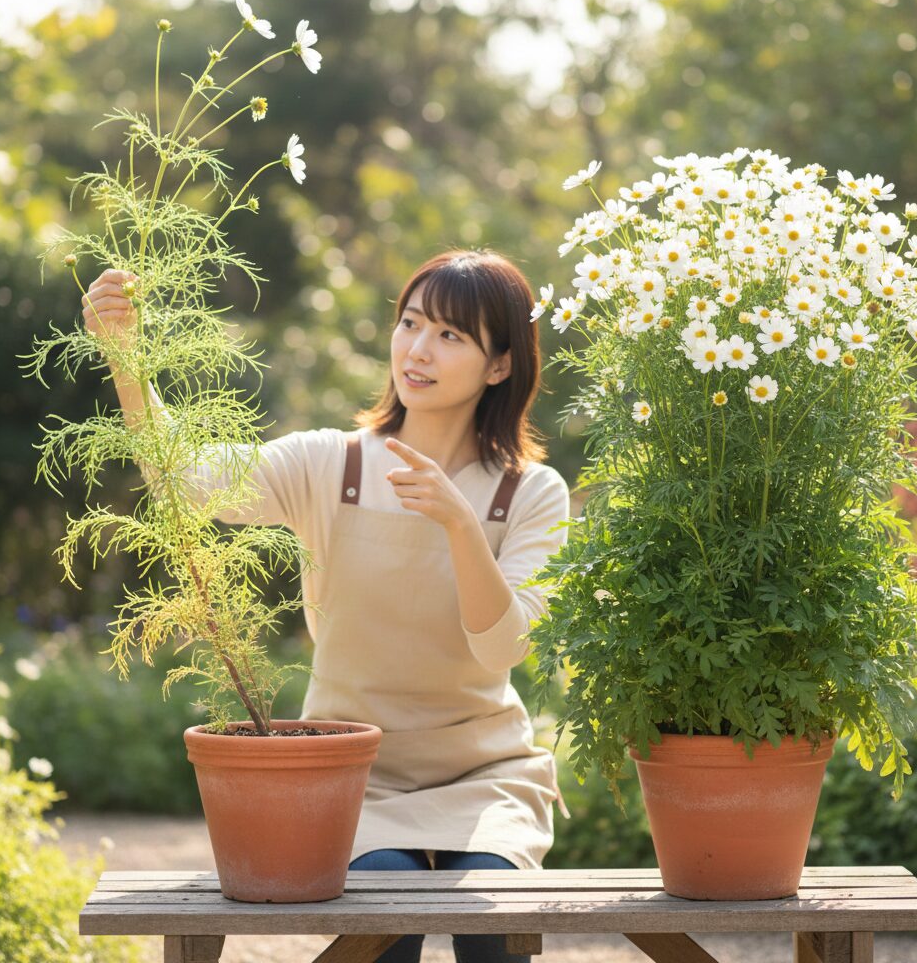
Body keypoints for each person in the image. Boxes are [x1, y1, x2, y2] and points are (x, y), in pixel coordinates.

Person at [82, 249, 571, 963]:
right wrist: (125, 357)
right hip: (352, 775)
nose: (418, 349)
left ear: (500, 365)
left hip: (482, 775)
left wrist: (461, 523)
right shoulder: (329, 463)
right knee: (383, 911)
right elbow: (187, 479)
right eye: (410, 323)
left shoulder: (529, 493)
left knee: (492, 920)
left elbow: (505, 649)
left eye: (450, 336)